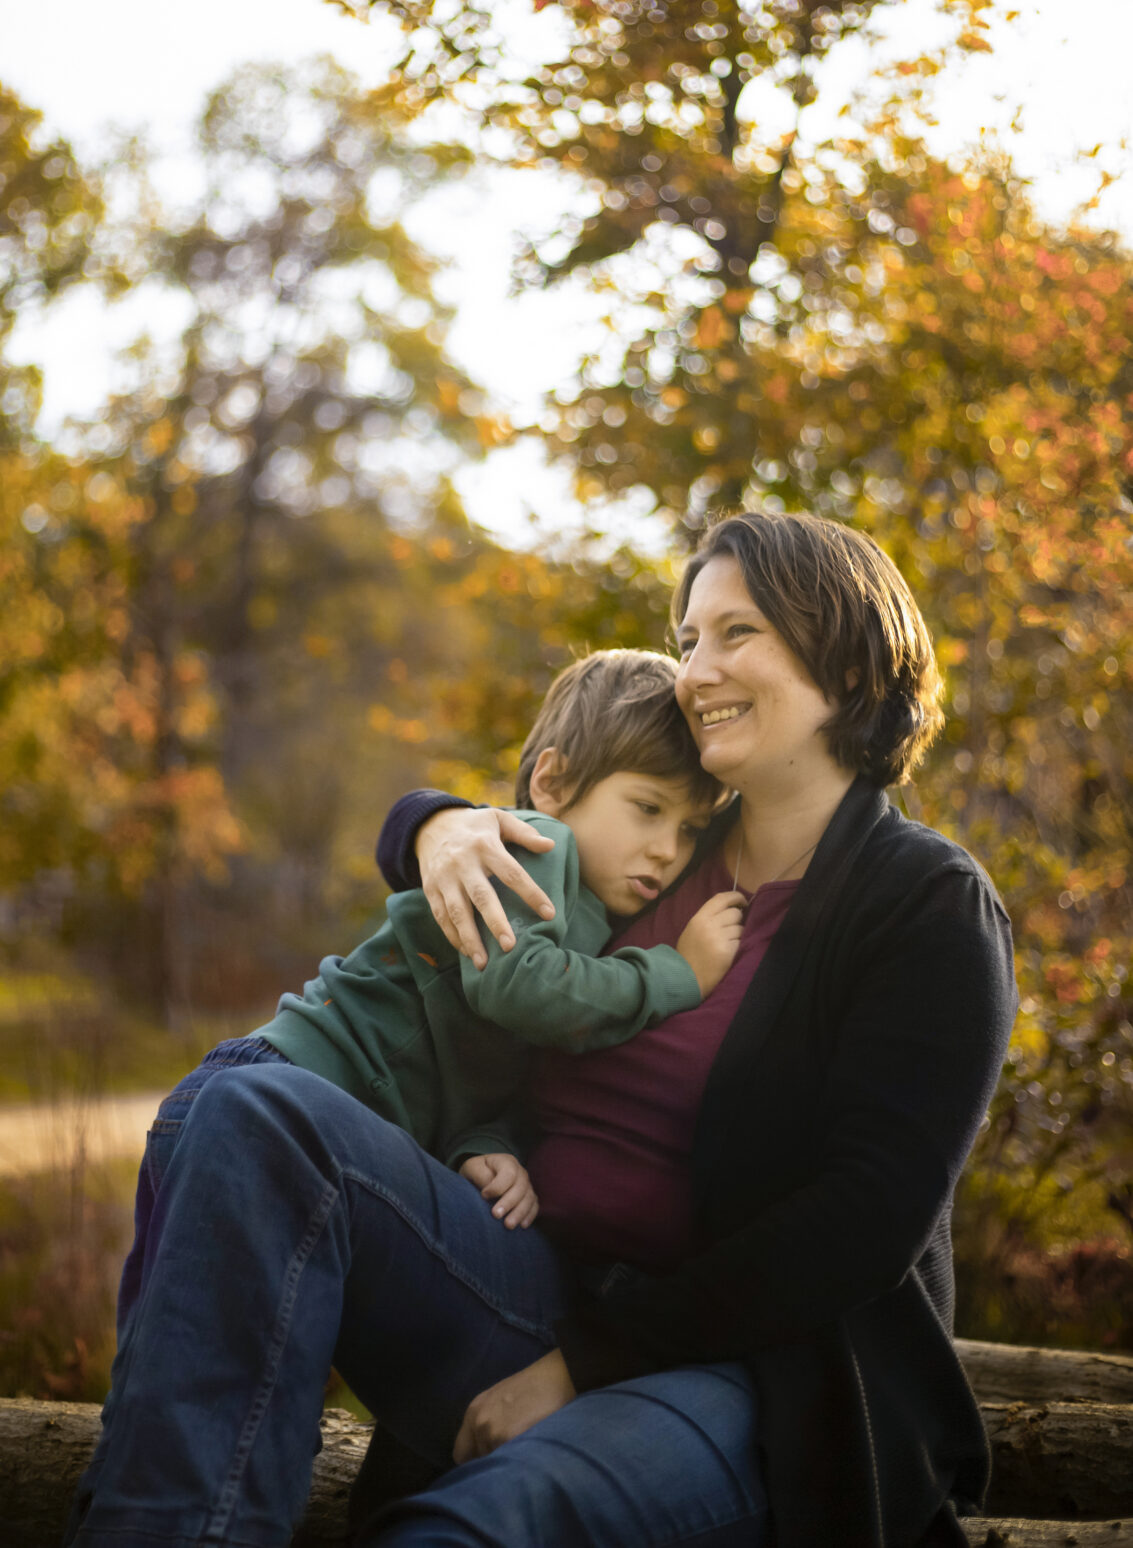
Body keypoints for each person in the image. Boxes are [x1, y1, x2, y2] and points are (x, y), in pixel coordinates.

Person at [67, 512, 1016, 1548]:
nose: (694, 668)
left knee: (467, 1531)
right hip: (531, 1286)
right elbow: (523, 836)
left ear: (841, 651)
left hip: (764, 1372)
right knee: (256, 1109)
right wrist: (429, 822)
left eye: (734, 632)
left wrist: (580, 1364)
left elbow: (860, 1222)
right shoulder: (657, 855)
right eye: (688, 637)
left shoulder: (924, 905)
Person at [112, 649, 733, 1351]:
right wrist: (672, 975)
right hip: (272, 1096)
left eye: (688, 829)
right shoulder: (531, 849)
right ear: (553, 782)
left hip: (271, 1117)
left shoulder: (590, 915)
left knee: (183, 1372)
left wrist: (483, 1143)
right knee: (221, 1371)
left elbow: (475, 1049)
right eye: (648, 809)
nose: (665, 850)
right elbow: (513, 987)